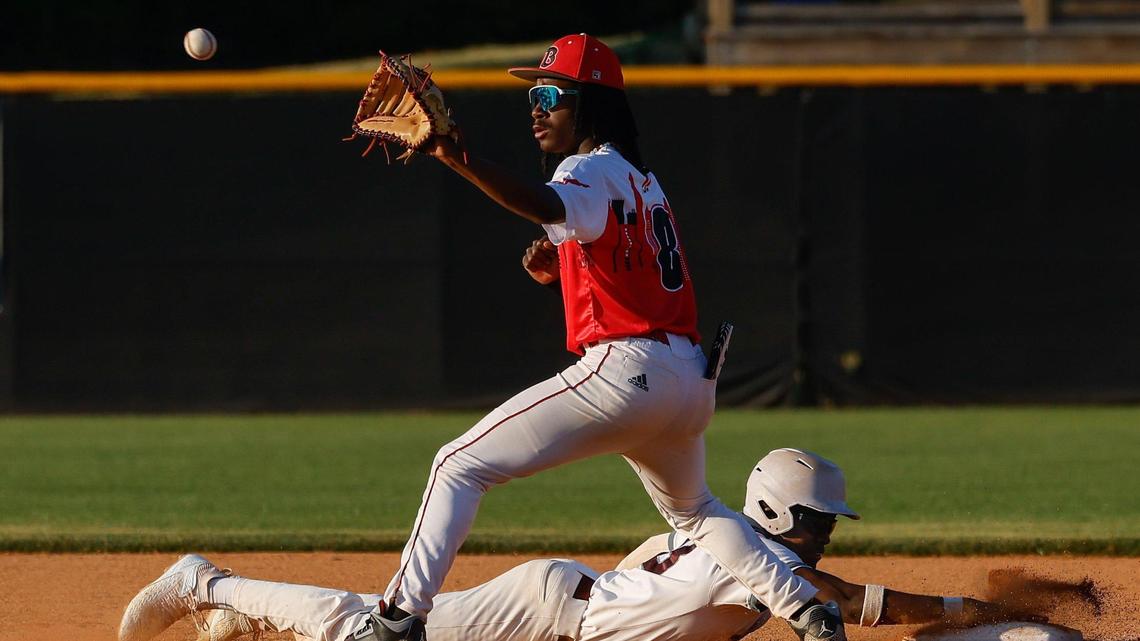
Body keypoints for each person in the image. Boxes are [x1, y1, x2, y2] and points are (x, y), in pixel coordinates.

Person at [351, 32, 836, 641]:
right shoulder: (642, 181)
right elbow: (630, 269)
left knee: (458, 464)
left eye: (551, 92)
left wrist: (454, 154)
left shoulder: (587, 168)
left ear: (592, 104)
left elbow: (544, 204)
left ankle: (397, 619)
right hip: (689, 382)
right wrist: (564, 271)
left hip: (627, 374)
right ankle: (809, 609)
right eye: (533, 93)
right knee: (697, 511)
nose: (537, 105)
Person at [117, 448, 1036, 641]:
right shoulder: (770, 566)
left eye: (827, 518)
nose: (826, 527)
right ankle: (211, 580)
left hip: (568, 598)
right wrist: (977, 611)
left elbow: (647, 568)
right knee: (371, 632)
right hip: (553, 608)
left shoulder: (713, 534)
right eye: (820, 516)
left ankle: (242, 621)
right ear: (781, 515)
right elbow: (860, 603)